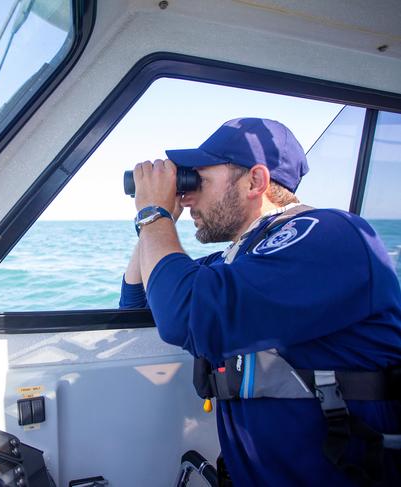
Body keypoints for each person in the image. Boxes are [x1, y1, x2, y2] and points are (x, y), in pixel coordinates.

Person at [119, 118, 401, 486]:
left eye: (197, 180)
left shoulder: (331, 236)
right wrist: (155, 224)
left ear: (255, 181)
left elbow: (183, 315)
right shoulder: (239, 260)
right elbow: (137, 306)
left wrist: (152, 215)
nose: (186, 198)